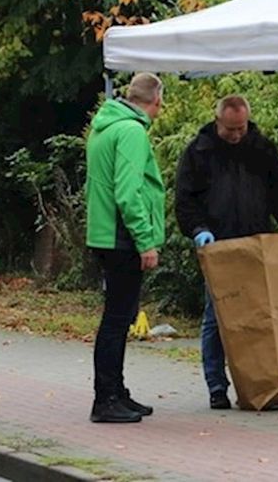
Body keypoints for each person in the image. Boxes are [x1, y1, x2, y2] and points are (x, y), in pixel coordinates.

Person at [175, 95, 278, 410]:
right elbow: (185, 198)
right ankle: (217, 385)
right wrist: (197, 229)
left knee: (262, 312)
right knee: (217, 316)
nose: (235, 135)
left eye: (241, 128)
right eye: (230, 129)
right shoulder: (198, 153)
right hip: (218, 245)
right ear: (218, 121)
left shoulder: (261, 149)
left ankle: (264, 381)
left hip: (256, 242)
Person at [85, 72, 166, 423]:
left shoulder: (105, 127)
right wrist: (145, 241)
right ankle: (106, 399)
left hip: (104, 233)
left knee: (117, 318)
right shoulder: (132, 132)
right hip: (122, 238)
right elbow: (128, 191)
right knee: (117, 320)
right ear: (156, 101)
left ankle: (116, 391)